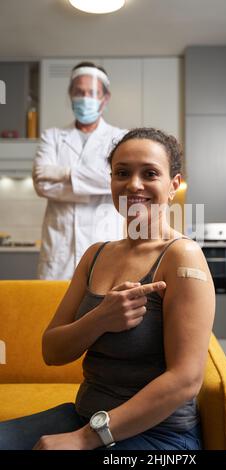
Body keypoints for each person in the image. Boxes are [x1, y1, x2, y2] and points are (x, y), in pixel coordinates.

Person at [0, 128, 215, 450]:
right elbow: (52, 351)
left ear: (173, 186)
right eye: (122, 173)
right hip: (83, 415)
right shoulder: (96, 255)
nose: (134, 184)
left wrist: (85, 439)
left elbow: (185, 381)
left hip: (156, 435)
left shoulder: (182, 256)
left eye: (150, 173)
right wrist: (101, 318)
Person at [32, 61, 126, 280]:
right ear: (70, 94)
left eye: (92, 93)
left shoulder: (119, 138)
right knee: (53, 312)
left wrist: (63, 174)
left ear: (105, 98)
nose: (85, 98)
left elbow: (114, 180)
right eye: (79, 92)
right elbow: (42, 184)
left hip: (104, 249)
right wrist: (98, 184)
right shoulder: (52, 136)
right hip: (59, 254)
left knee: (103, 311)